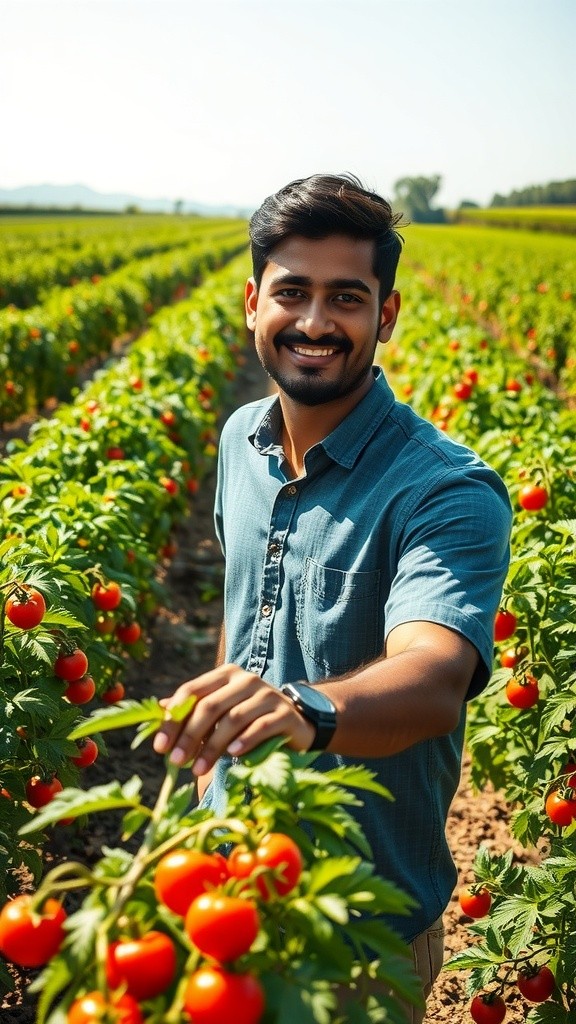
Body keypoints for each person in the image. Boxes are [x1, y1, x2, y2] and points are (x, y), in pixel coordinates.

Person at [153, 173, 512, 1021]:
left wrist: (301, 708)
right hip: (224, 879)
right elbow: (246, 622)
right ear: (251, 304)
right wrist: (210, 775)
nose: (315, 323)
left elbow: (432, 677)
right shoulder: (241, 439)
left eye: (346, 298)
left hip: (361, 917)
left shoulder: (446, 490)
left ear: (384, 316)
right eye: (293, 293)